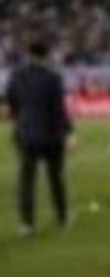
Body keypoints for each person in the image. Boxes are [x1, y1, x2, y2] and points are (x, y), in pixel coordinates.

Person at [4, 40, 72, 236]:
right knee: (55, 177)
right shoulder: (53, 77)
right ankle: (62, 217)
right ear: (47, 55)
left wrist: (20, 119)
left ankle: (27, 223)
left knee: (26, 180)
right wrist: (68, 132)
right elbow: (59, 110)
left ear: (29, 54)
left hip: (25, 133)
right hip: (51, 134)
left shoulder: (17, 75)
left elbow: (10, 104)